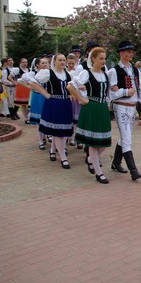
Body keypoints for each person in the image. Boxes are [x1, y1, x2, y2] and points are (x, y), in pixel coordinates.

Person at [108, 40, 141, 180]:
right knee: (127, 138)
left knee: (125, 136)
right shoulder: (114, 71)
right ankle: (133, 171)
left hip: (131, 108)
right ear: (121, 53)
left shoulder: (135, 70)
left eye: (132, 51)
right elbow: (111, 92)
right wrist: (125, 92)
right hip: (121, 106)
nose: (131, 54)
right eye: (128, 51)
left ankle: (116, 162)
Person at [67, 47, 113, 184]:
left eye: (104, 58)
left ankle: (90, 159)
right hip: (91, 108)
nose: (103, 61)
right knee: (93, 142)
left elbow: (107, 93)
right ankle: (99, 173)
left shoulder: (105, 74)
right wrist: (81, 99)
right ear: (93, 59)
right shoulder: (87, 74)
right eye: (101, 58)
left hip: (102, 108)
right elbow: (70, 86)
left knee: (105, 140)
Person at [30, 54, 74, 169]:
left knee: (61, 131)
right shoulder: (48, 73)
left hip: (65, 104)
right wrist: (44, 93)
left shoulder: (68, 75)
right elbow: (32, 82)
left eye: (64, 60)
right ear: (54, 62)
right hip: (54, 103)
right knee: (58, 132)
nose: (62, 62)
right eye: (60, 60)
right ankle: (63, 158)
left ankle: (52, 150)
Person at [66, 53, 81, 147]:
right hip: (69, 98)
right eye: (69, 63)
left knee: (77, 120)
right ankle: (70, 136)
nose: (71, 65)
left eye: (73, 63)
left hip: (76, 98)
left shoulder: (77, 72)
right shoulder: (65, 72)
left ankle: (77, 138)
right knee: (70, 119)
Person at [13, 58, 31, 123]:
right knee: (23, 104)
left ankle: (28, 116)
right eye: (23, 62)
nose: (25, 63)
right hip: (20, 87)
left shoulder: (29, 70)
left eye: (26, 62)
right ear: (20, 63)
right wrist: (14, 82)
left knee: (29, 104)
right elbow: (9, 76)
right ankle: (26, 118)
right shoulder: (17, 70)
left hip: (28, 87)